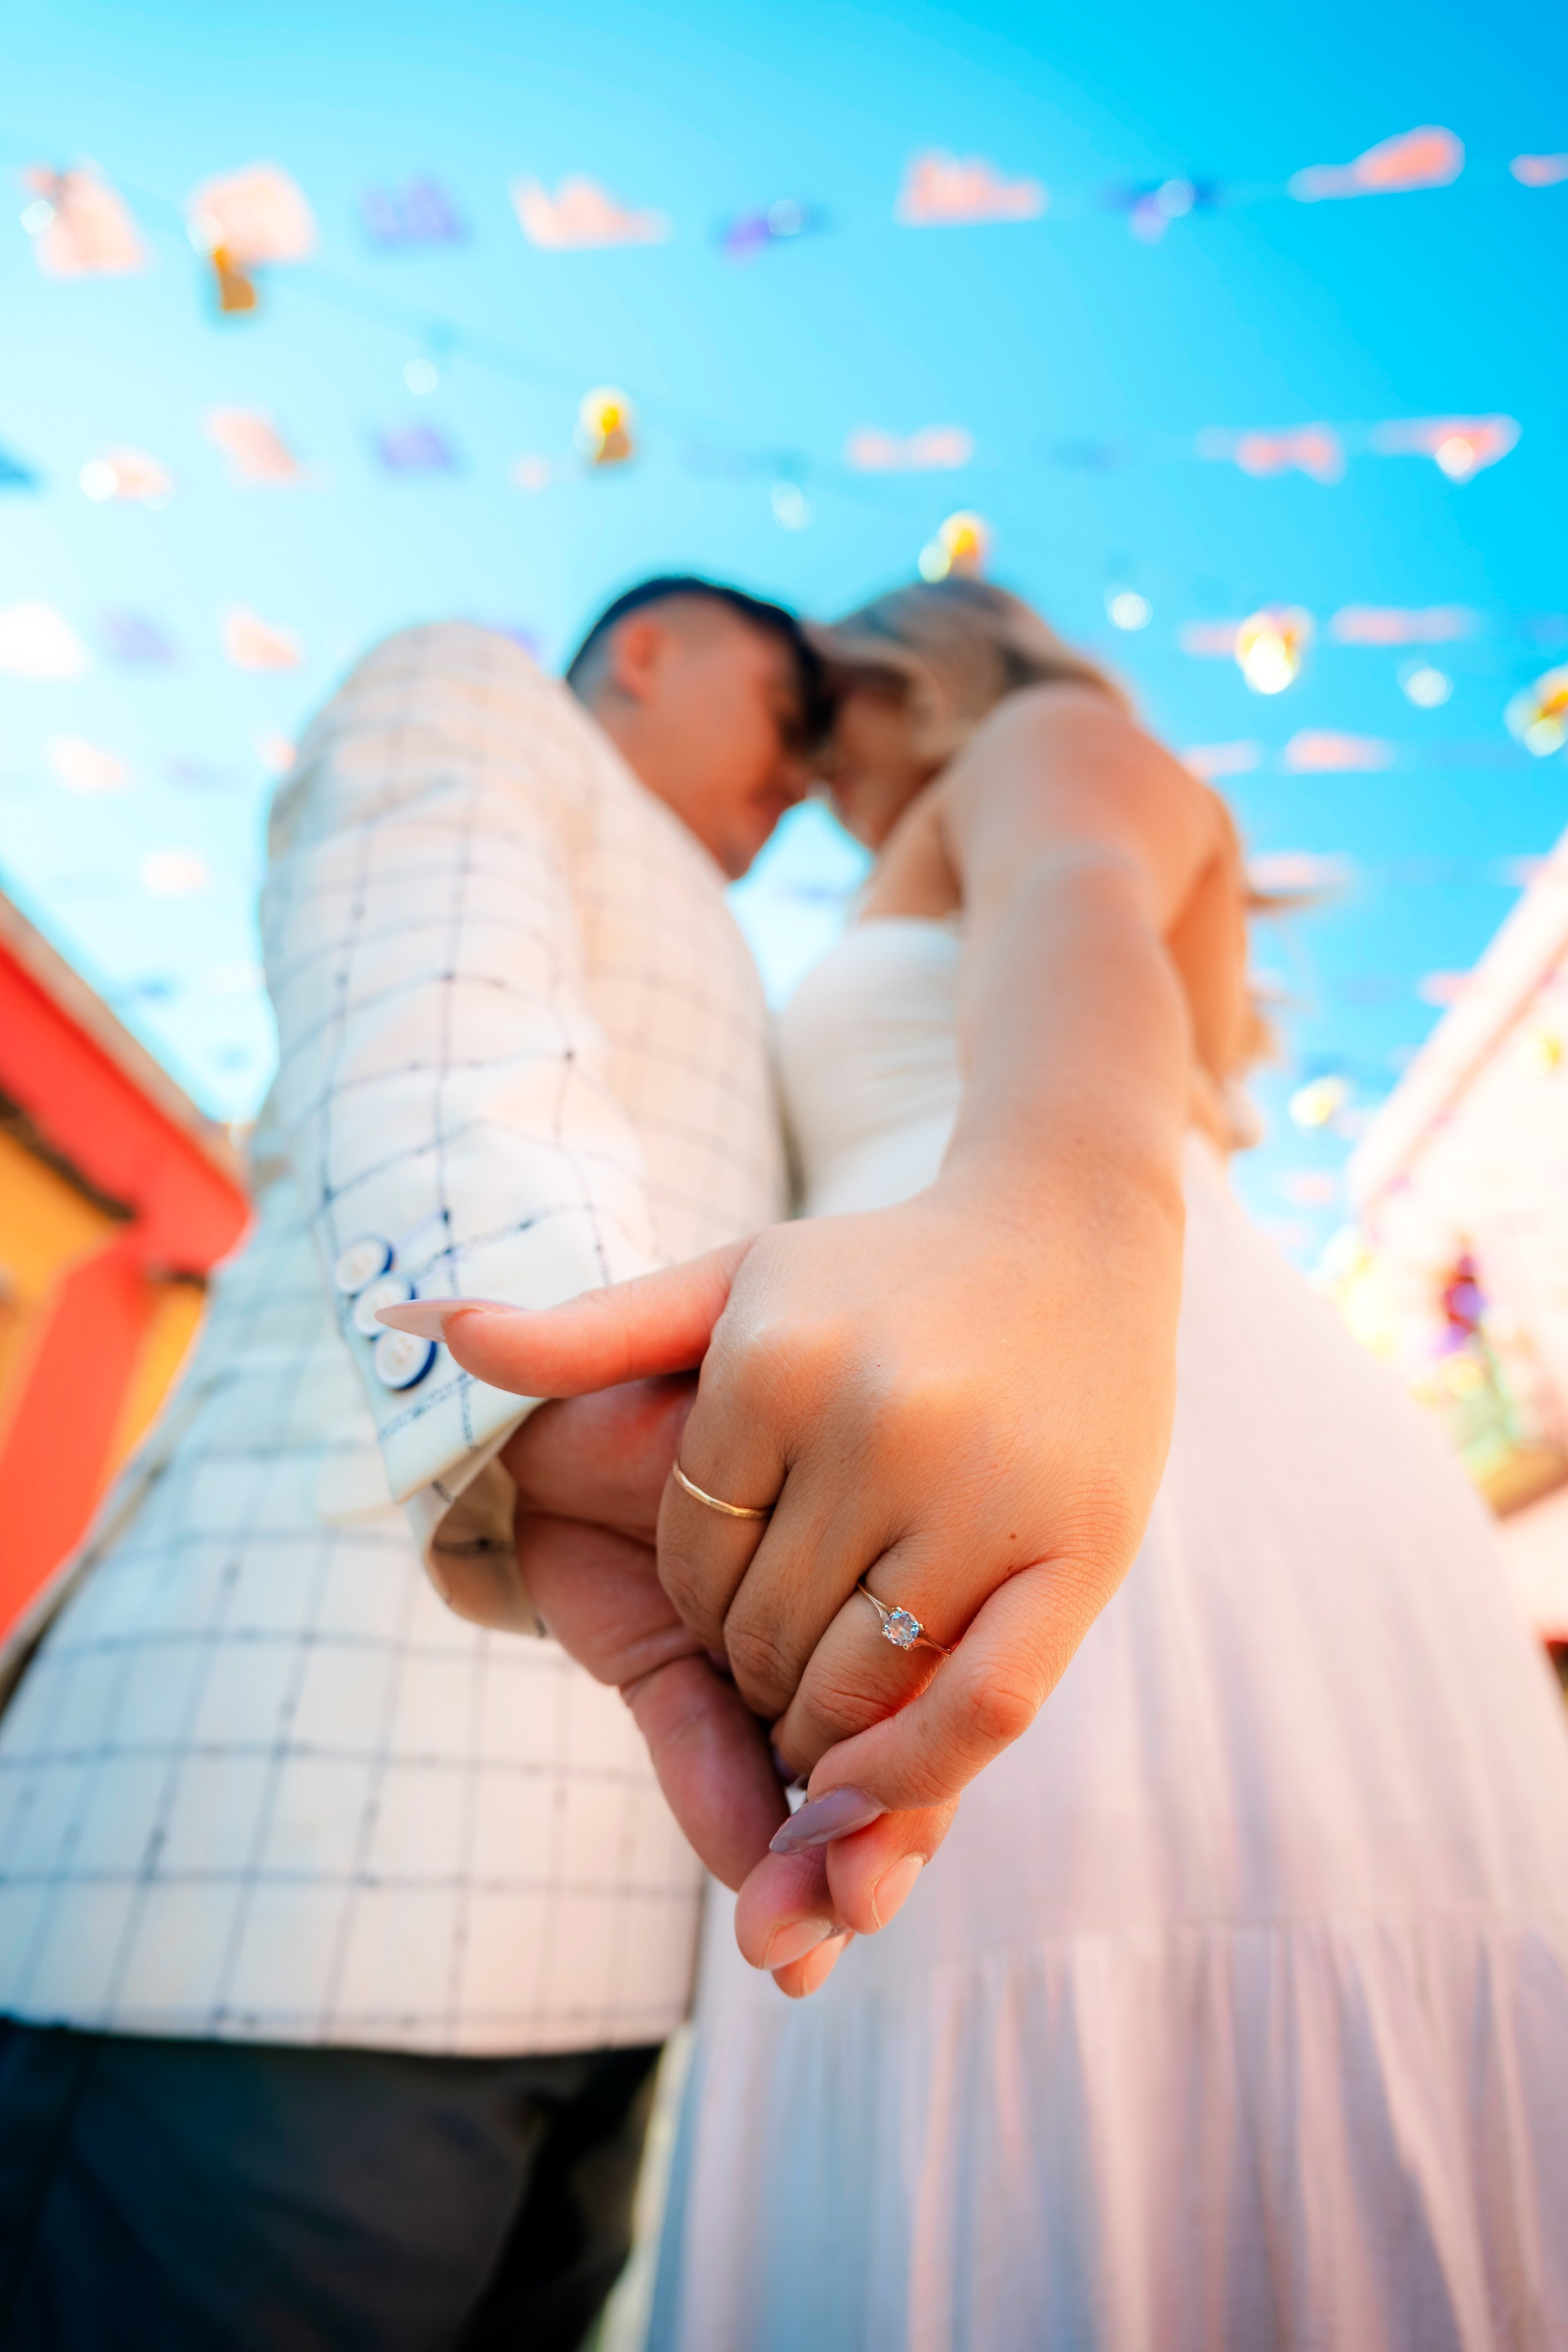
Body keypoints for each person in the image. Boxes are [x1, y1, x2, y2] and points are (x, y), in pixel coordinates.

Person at [408, 578, 1568, 2350]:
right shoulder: (908, 852)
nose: (807, 778)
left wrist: (1053, 1228)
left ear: (904, 676)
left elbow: (1075, 911)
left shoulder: (1044, 742)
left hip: (1148, 1421)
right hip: (961, 1424)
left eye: (820, 721)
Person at [0, 577, 829, 2350]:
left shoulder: (751, 963)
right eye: (788, 706)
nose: (806, 768)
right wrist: (561, 1392)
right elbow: (431, 994)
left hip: (618, 1945)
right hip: (267, 1885)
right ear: (649, 651)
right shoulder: (478, 689)